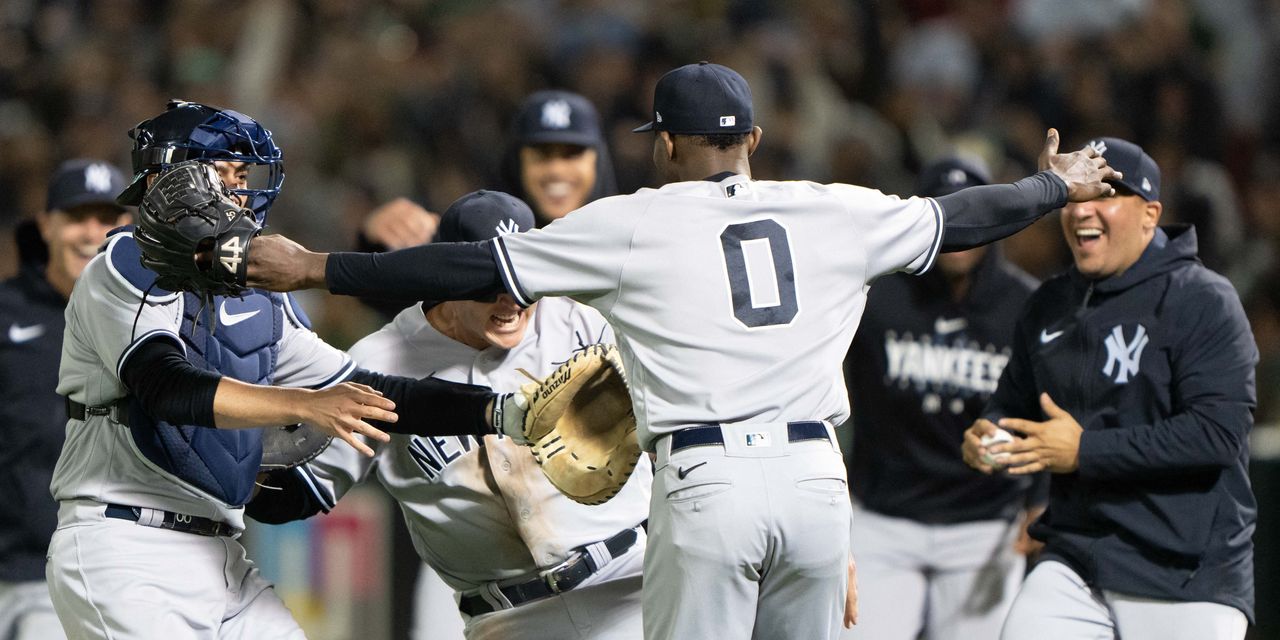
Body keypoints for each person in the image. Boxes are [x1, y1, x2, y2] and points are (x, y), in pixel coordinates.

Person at [241, 62, 1119, 639]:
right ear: (754, 143)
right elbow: (963, 218)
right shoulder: (832, 206)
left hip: (708, 482)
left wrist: (319, 265)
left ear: (662, 144)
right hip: (818, 482)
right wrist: (1051, 186)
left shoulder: (635, 223)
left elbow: (475, 262)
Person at [44, 101, 520, 640]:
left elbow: (375, 394)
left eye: (244, 175)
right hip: (123, 545)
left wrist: (502, 412)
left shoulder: (254, 288)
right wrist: (302, 403)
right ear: (168, 176)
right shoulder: (124, 263)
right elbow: (164, 387)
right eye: (224, 172)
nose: (241, 190)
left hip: (220, 550)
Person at [250, 190, 651, 640]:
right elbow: (298, 490)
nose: (510, 301)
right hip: (508, 618)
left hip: (632, 584)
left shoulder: (582, 318)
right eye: (485, 285)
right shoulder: (381, 360)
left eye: (521, 282)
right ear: (445, 273)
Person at [962, 137, 1257, 640]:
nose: (1083, 212)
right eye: (1076, 196)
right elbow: (1012, 401)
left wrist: (1086, 450)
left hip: (1183, 570)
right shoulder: (1049, 303)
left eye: (1106, 196)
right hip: (1078, 557)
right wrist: (990, 434)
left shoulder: (1201, 299)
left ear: (1150, 214)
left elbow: (1216, 435)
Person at [841, 157, 1045, 640]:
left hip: (985, 524)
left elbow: (1052, 405)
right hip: (883, 519)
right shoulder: (874, 296)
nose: (961, 232)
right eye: (946, 216)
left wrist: (1040, 497)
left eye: (970, 216)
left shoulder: (1026, 305)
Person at [0, 160, 132, 640]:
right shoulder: (7, 314)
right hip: (25, 573)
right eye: (77, 217)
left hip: (126, 569)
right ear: (46, 224)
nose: (90, 234)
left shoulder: (154, 317)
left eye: (106, 219)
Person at [355, 90, 618, 320]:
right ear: (517, 161)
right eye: (542, 154)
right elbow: (386, 296)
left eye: (572, 154)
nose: (557, 170)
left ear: (598, 160)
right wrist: (373, 243)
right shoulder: (479, 238)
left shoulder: (627, 238)